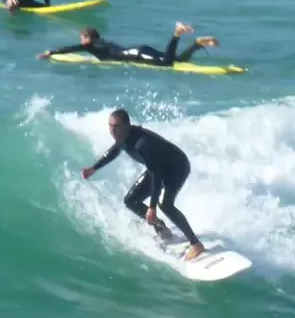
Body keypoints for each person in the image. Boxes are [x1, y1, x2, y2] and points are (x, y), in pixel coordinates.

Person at [81, 108, 204, 258]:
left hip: (177, 167)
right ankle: (162, 229)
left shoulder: (142, 143)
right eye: (110, 126)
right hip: (157, 167)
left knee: (165, 205)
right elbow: (114, 151)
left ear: (127, 125)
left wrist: (152, 207)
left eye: (116, 126)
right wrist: (94, 168)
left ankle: (196, 244)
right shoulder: (122, 138)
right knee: (130, 200)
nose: (112, 130)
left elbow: (157, 175)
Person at [40, 23, 218, 67]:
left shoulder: (91, 45)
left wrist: (51, 52)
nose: (81, 42)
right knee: (177, 61)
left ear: (88, 38)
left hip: (137, 54)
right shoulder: (101, 43)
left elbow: (72, 48)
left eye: (82, 38)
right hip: (139, 50)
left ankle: (177, 33)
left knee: (168, 64)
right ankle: (196, 44)